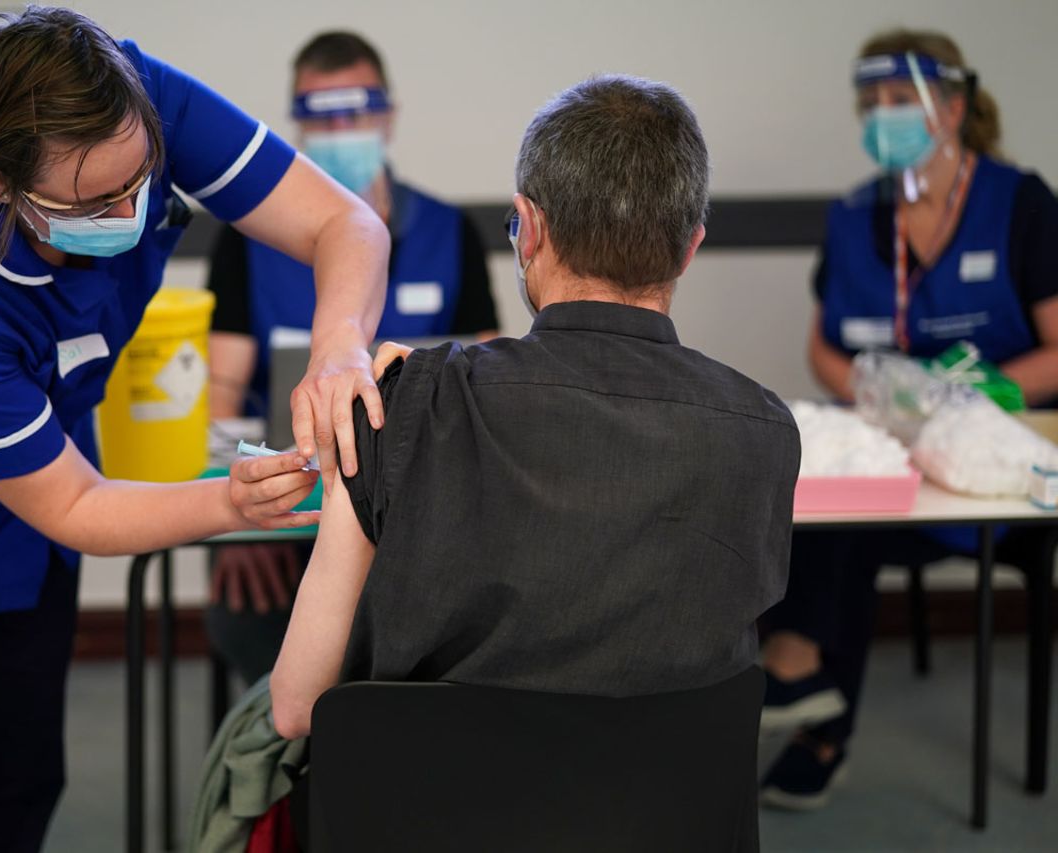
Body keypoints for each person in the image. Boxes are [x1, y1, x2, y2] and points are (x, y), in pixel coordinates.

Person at [0, 7, 391, 849]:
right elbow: (74, 505)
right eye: (98, 201)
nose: (135, 209)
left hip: (35, 450)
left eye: (143, 179)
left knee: (26, 777)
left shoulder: (126, 95)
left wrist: (338, 350)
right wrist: (230, 504)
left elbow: (344, 223)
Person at [267, 74, 801, 739]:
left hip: (432, 813)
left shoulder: (401, 403)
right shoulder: (765, 432)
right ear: (690, 247)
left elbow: (296, 708)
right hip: (659, 818)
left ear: (531, 229)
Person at [759, 29, 1058, 811]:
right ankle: (803, 685)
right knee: (823, 504)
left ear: (952, 107)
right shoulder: (855, 215)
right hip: (897, 452)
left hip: (994, 466)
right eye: (871, 105)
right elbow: (822, 346)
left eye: (900, 102)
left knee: (851, 528)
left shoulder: (1020, 204)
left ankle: (807, 697)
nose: (881, 118)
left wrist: (986, 391)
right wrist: (868, 388)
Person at [205, 31, 499, 684]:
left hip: (427, 517)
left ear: (387, 115)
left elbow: (487, 386)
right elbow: (221, 390)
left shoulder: (449, 232)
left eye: (356, 108)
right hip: (288, 511)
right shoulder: (245, 244)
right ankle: (295, 775)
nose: (341, 126)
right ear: (297, 127)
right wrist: (234, 518)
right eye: (320, 113)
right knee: (259, 633)